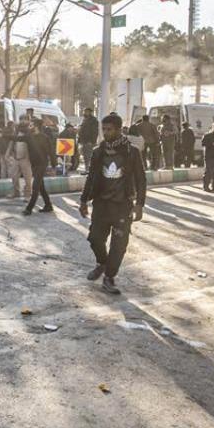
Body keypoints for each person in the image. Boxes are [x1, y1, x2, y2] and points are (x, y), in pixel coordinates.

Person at [78, 113, 147, 295]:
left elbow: (141, 179)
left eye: (110, 129)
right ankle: (102, 262)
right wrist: (83, 200)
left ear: (118, 129)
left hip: (122, 206)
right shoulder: (98, 152)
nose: (106, 133)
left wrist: (140, 204)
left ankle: (109, 277)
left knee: (119, 244)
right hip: (101, 204)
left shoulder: (132, 152)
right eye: (104, 129)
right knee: (94, 238)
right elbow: (91, 178)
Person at [22, 120, 57, 215]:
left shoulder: (44, 138)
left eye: (31, 125)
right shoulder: (30, 137)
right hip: (34, 164)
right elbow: (17, 138)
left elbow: (51, 152)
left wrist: (54, 165)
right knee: (41, 187)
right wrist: (2, 135)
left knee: (36, 186)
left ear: (36, 126)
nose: (29, 126)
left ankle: (29, 208)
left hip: (42, 164)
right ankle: (48, 205)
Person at [4, 122, 32, 199]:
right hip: (16, 158)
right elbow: (11, 144)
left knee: (27, 178)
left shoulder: (28, 135)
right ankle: (16, 192)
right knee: (14, 177)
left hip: (26, 159)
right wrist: (7, 154)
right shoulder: (15, 134)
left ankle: (27, 194)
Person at [77, 107, 99, 174]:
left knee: (89, 156)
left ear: (90, 112)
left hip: (89, 142)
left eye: (86, 111)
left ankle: (90, 170)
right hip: (84, 141)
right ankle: (87, 169)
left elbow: (95, 132)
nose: (84, 113)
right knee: (86, 156)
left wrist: (92, 141)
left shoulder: (93, 120)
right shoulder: (85, 120)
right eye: (84, 111)